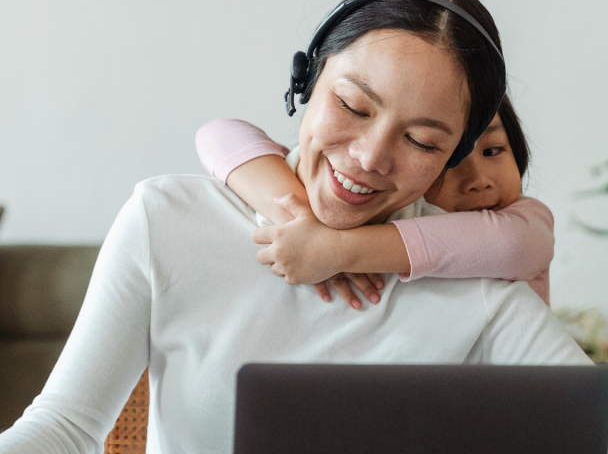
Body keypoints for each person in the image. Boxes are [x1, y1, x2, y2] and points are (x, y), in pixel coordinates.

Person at [0, 0, 591, 454]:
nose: (371, 158)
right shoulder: (167, 222)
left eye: (422, 140)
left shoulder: (474, 282)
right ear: (307, 83)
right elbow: (67, 431)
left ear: (453, 154)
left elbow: (592, 447)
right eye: (352, 105)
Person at [195, 95, 554, 307]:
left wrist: (337, 248)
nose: (479, 182)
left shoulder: (525, 220)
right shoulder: (386, 208)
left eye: (494, 150)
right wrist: (302, 223)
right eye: (449, 163)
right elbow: (219, 134)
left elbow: (513, 245)